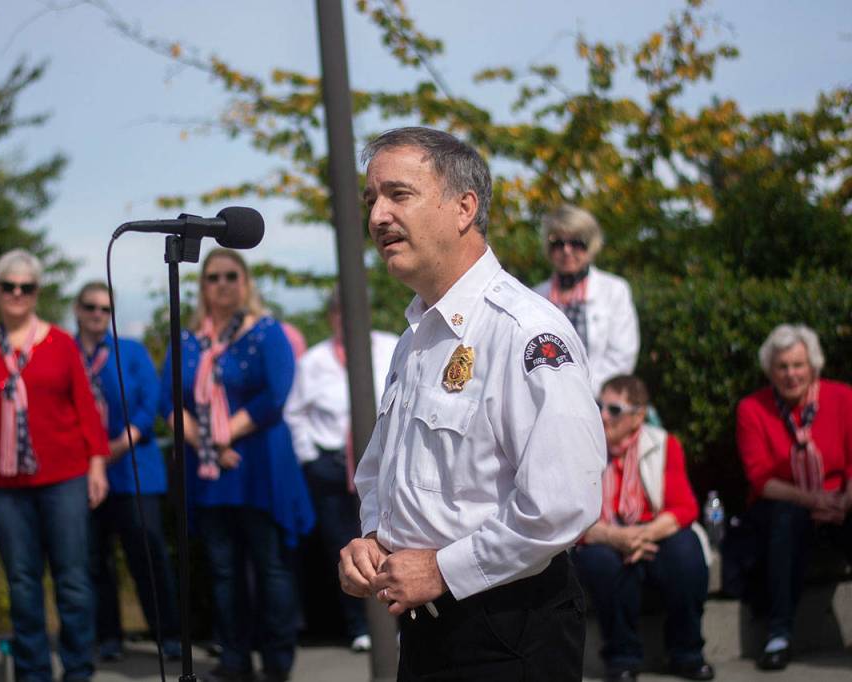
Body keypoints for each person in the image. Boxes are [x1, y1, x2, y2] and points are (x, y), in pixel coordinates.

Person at [339, 127, 605, 681]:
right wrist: (370, 540)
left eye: (398, 195)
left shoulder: (525, 331)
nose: (378, 217)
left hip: (507, 629)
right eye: (372, 201)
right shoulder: (416, 337)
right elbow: (379, 474)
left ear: (464, 207)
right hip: (424, 623)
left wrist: (442, 569)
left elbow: (563, 503)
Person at [158, 248, 314, 682]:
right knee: (223, 573)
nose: (222, 285)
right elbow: (167, 399)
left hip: (260, 465)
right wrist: (208, 439)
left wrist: (226, 433)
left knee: (271, 568)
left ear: (245, 283)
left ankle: (277, 663)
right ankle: (234, 660)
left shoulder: (267, 332)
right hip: (210, 473)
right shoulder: (187, 340)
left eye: (231, 276)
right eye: (213, 277)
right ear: (202, 287)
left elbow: (275, 395)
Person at [0, 249, 110, 682]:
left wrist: (97, 466)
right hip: (3, 484)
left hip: (64, 478)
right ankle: (33, 672)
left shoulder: (61, 343)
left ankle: (78, 668)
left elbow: (85, 407)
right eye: (9, 286)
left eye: (26, 287)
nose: (17, 294)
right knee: (23, 584)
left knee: (74, 580)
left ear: (37, 293)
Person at [573, 375, 714, 682]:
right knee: (601, 563)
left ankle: (687, 653)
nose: (602, 415)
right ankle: (623, 658)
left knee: (686, 554)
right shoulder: (582, 444)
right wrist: (614, 537)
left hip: (653, 530)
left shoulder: (663, 443)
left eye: (613, 409)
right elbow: (570, 511)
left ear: (638, 415)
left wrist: (640, 536)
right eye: (599, 406)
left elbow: (683, 507)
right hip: (601, 533)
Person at [283, 288, 399, 653]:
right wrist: (310, 457)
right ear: (332, 317)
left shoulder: (391, 346)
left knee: (390, 542)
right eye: (338, 312)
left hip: (383, 464)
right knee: (345, 547)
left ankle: (394, 621)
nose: (345, 319)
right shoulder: (314, 361)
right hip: (333, 468)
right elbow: (294, 413)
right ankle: (358, 626)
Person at [74, 281, 182, 662]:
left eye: (105, 309)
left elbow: (150, 400)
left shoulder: (130, 351)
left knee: (148, 557)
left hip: (134, 469)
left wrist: (121, 442)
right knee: (94, 559)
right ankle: (108, 636)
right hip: (85, 473)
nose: (98, 316)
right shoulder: (66, 352)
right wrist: (93, 454)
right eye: (91, 308)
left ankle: (169, 634)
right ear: (78, 310)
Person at [736, 323, 852, 671]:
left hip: (840, 500)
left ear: (813, 365)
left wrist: (844, 500)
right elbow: (760, 479)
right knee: (786, 520)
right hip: (784, 505)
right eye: (782, 366)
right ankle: (779, 634)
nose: (791, 374)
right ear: (771, 371)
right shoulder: (752, 408)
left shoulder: (843, 397)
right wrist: (814, 500)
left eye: (798, 365)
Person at [534, 204, 640, 395]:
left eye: (577, 243)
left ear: (591, 246)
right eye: (557, 243)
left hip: (598, 402)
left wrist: (579, 393)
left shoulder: (614, 291)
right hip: (545, 402)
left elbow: (622, 358)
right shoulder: (534, 297)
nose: (567, 250)